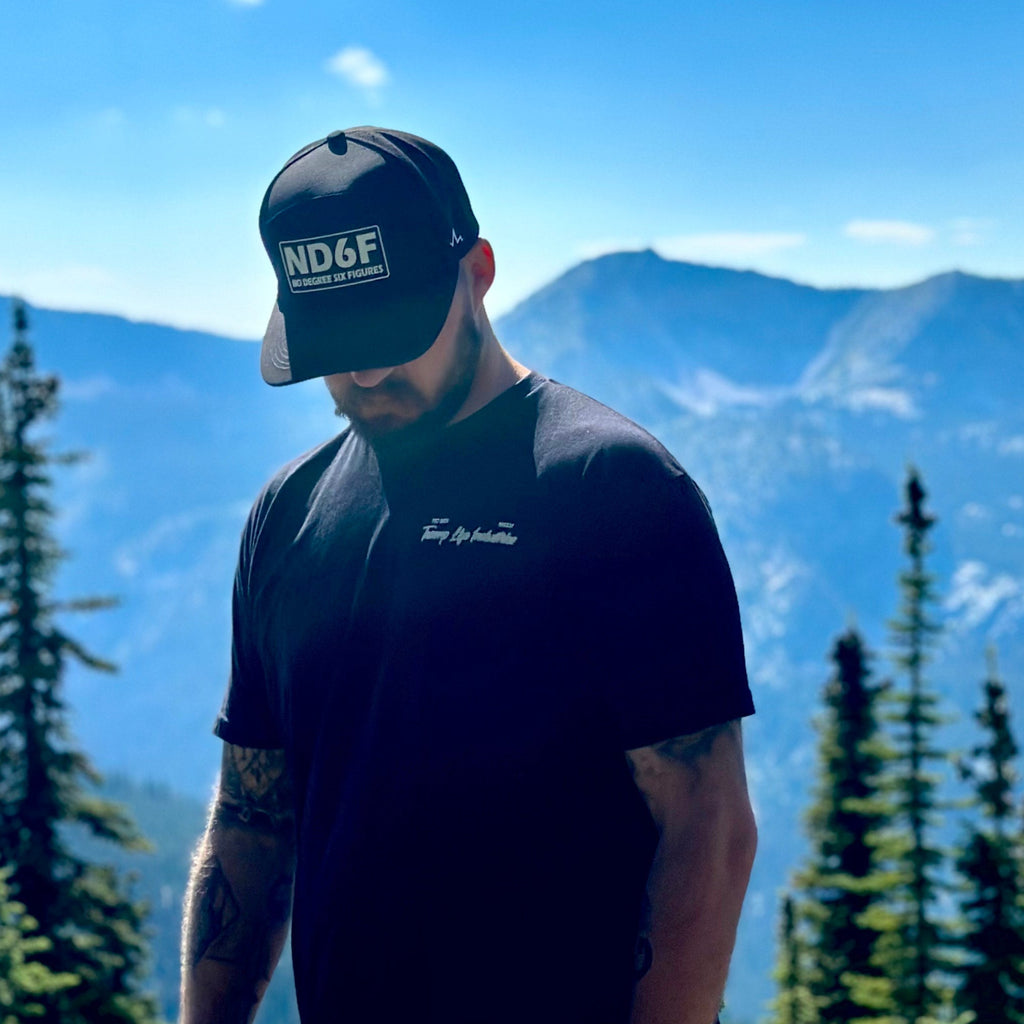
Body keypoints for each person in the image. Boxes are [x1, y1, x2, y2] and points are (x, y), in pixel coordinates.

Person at [180, 127, 757, 1024]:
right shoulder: (286, 515)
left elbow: (707, 828)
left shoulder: (614, 488)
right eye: (337, 337)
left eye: (392, 329)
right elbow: (253, 824)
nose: (365, 366)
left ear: (478, 272)